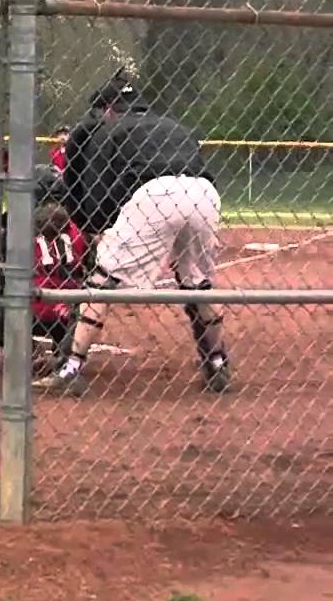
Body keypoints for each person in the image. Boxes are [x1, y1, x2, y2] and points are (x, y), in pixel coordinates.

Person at [35, 74, 230, 394]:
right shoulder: (171, 124)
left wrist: (97, 226)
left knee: (101, 282)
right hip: (204, 192)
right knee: (198, 283)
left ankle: (71, 368)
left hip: (154, 192)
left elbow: (96, 192)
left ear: (109, 108)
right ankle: (217, 362)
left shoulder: (109, 129)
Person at [0, 170, 87, 375]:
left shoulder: (17, 227)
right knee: (81, 295)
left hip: (30, 311)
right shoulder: (80, 226)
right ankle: (66, 351)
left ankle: (29, 351)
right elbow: (92, 269)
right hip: (70, 316)